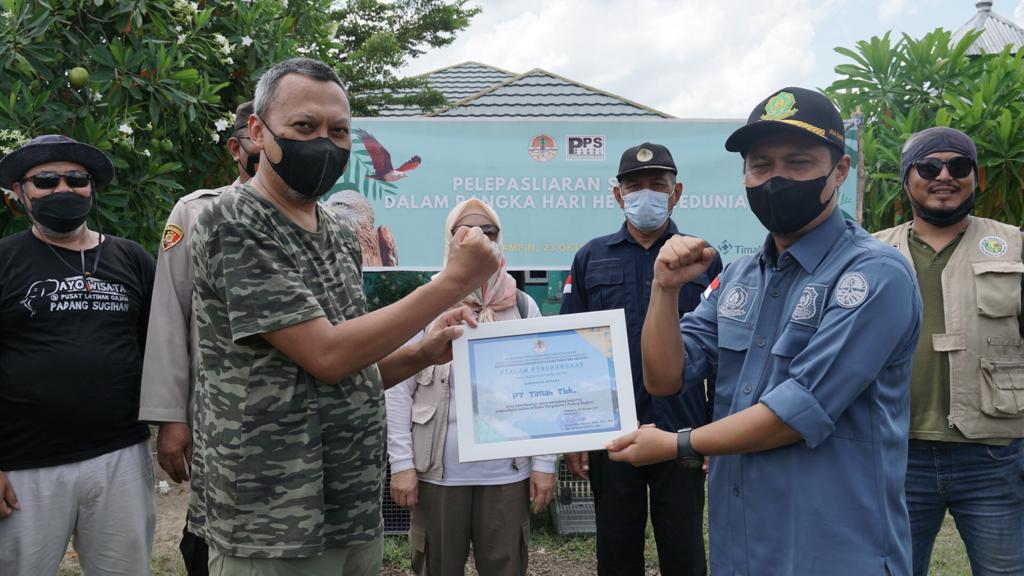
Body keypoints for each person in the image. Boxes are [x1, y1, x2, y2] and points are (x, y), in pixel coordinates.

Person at [187, 57, 500, 576]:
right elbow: (326, 356)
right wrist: (452, 282)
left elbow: (352, 368)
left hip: (350, 505)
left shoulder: (336, 231)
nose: (324, 144)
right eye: (304, 127)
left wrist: (423, 351)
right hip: (271, 519)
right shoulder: (231, 220)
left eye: (339, 131)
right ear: (259, 133)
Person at [606, 87, 922, 576]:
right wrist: (664, 290)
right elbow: (664, 378)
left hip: (835, 549)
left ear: (839, 171)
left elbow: (797, 412)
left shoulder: (873, 275)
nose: (775, 178)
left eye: (797, 162)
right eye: (760, 165)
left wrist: (677, 444)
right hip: (743, 546)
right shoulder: (739, 276)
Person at [560, 142, 721, 575]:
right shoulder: (591, 257)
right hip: (612, 428)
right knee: (615, 545)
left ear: (676, 191)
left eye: (657, 185)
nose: (645, 194)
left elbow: (723, 352)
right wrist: (576, 435)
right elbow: (574, 348)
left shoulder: (702, 258)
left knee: (684, 545)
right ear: (618, 195)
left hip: (683, 427)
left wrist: (716, 431)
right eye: (634, 186)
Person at [0, 135, 156, 575]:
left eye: (76, 179)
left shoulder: (131, 258)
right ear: (20, 193)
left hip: (121, 454)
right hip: (24, 465)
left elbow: (159, 349)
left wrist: (176, 425)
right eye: (46, 180)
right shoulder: (5, 260)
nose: (62, 190)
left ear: (92, 188)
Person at [874, 127, 1024, 575]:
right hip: (898, 454)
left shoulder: (1015, 244)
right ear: (908, 179)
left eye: (959, 166)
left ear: (975, 177)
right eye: (928, 166)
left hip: (994, 455)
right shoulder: (872, 252)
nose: (945, 176)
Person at [386, 198, 557, 576]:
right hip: (439, 473)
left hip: (506, 474)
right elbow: (397, 392)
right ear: (450, 242)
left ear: (501, 239)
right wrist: (401, 466)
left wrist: (544, 464)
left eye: (489, 231)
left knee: (506, 566)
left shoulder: (525, 308)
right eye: (466, 232)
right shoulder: (422, 307)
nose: (479, 238)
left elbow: (544, 391)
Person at [139, 100, 258, 576]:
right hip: (216, 417)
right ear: (237, 147)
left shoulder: (322, 220)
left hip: (296, 419)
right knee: (212, 538)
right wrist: (171, 418)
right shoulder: (196, 213)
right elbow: (169, 315)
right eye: (261, 137)